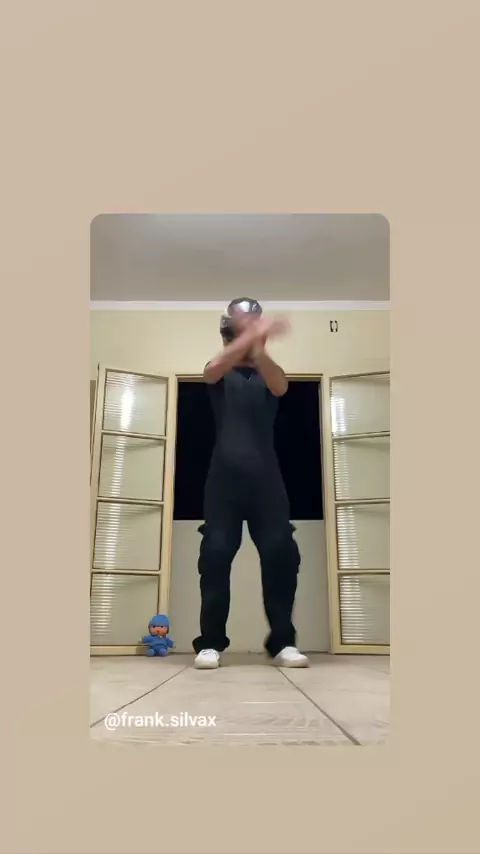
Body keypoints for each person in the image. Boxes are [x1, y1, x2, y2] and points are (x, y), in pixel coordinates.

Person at [192, 297, 309, 670]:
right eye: (242, 328)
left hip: (267, 483)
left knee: (281, 554)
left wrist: (257, 345)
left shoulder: (268, 371)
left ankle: (283, 643)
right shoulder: (219, 369)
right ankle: (210, 643)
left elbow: (281, 386)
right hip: (223, 484)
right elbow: (212, 371)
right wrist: (253, 332)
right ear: (229, 332)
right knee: (215, 555)